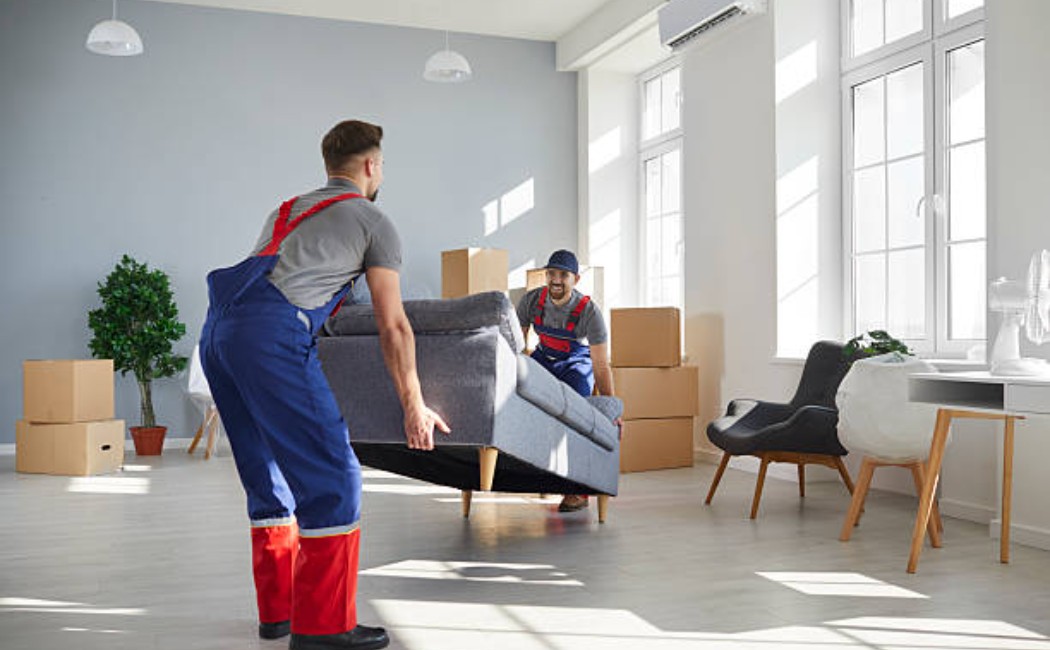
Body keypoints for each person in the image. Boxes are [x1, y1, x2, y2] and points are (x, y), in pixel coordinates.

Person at [200, 119, 449, 650]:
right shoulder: (373, 220)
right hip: (271, 337)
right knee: (334, 477)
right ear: (371, 166)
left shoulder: (286, 210)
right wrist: (414, 403)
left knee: (268, 477)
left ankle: (280, 614)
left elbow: (289, 278)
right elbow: (394, 324)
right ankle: (325, 627)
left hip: (219, 333)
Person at [516, 249, 616, 512]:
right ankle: (536, 472)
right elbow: (515, 348)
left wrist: (611, 409)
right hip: (543, 357)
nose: (556, 280)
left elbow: (601, 365)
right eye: (551, 274)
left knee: (576, 417)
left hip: (577, 364)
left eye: (563, 275)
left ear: (576, 279)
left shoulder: (589, 313)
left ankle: (577, 491)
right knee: (520, 395)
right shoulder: (530, 301)